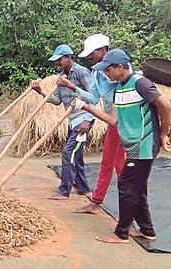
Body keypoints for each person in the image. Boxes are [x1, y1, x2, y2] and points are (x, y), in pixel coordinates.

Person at [74, 49, 171, 243]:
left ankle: (121, 233)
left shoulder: (140, 83)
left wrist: (163, 133)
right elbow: (112, 120)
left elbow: (165, 106)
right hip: (133, 145)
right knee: (137, 188)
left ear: (120, 67)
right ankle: (147, 230)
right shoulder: (119, 89)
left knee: (126, 186)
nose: (105, 73)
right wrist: (86, 107)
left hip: (143, 144)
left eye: (108, 69)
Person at [59, 34, 126, 214]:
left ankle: (128, 214)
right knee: (106, 163)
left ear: (103, 50)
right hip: (112, 122)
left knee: (122, 168)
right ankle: (96, 202)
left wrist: (88, 117)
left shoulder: (120, 70)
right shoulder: (97, 72)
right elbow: (94, 97)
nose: (89, 58)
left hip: (126, 123)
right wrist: (74, 88)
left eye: (92, 54)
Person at [31, 44, 95, 200]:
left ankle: (64, 191)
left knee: (68, 153)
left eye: (59, 60)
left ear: (68, 58)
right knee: (76, 156)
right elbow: (57, 101)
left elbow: (93, 96)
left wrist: (88, 120)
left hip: (83, 119)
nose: (57, 63)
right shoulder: (61, 78)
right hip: (73, 120)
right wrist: (40, 92)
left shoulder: (81, 72)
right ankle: (84, 188)